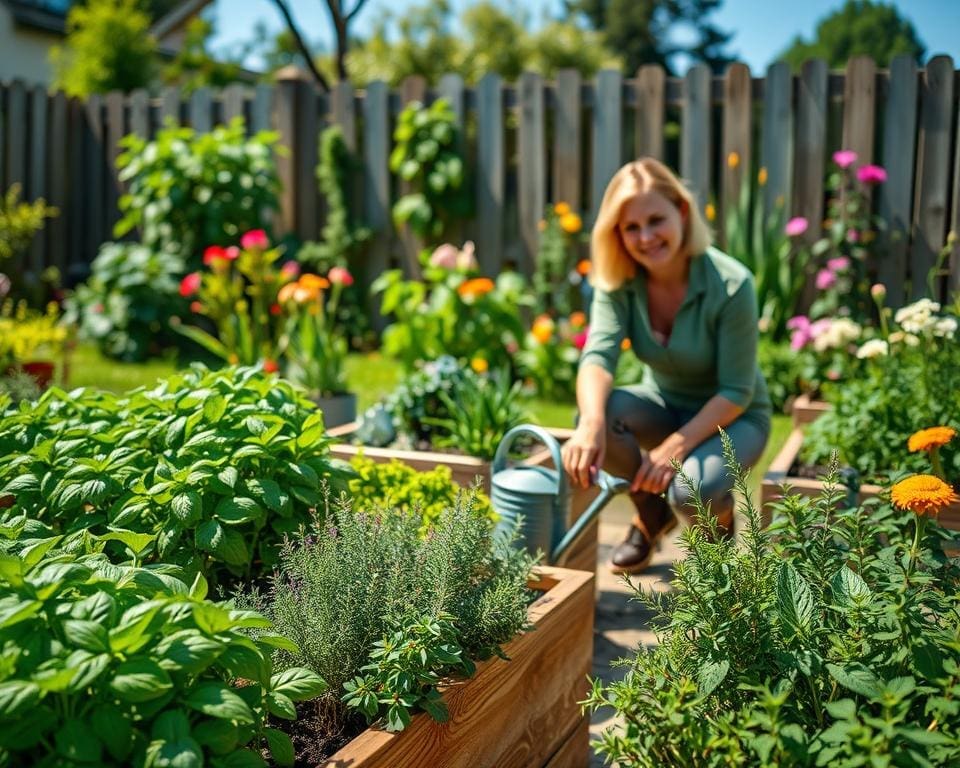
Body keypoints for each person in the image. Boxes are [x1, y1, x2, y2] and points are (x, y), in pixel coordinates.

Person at [560, 158, 771, 574]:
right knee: (600, 416)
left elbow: (735, 390)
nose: (645, 237)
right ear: (617, 234)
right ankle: (652, 514)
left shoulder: (731, 284)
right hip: (663, 402)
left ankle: (718, 552)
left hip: (735, 417)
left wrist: (675, 446)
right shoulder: (619, 281)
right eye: (631, 228)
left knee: (692, 490)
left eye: (656, 220)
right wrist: (589, 423)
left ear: (683, 212)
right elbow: (599, 355)